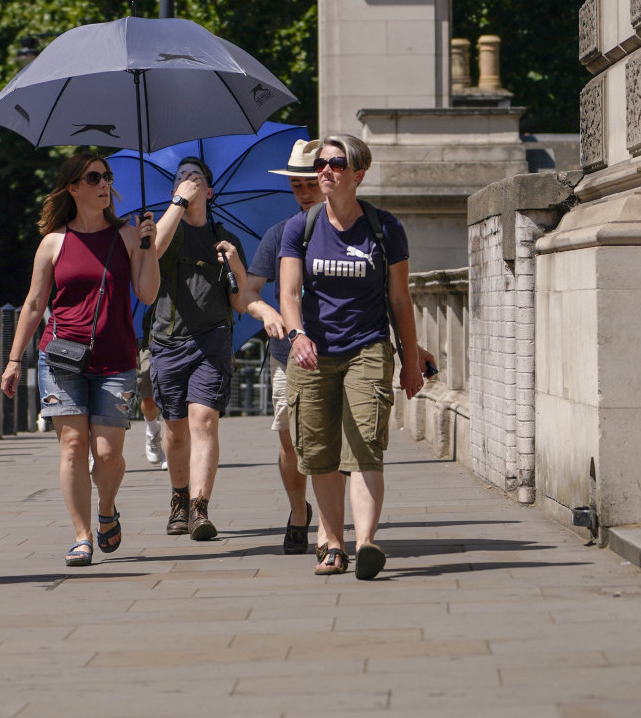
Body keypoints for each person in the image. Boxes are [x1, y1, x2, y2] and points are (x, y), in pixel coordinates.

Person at [279, 134, 436, 580]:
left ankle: (366, 542)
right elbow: (289, 293)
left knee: (364, 443)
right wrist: (297, 335)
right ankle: (333, 544)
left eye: (336, 164)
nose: (324, 171)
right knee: (320, 452)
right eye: (321, 164)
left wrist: (409, 359)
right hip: (313, 353)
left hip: (367, 347)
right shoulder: (302, 227)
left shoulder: (385, 228)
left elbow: (400, 301)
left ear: (358, 174)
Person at [1, 152, 159, 567]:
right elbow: (35, 304)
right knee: (72, 445)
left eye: (107, 176)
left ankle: (107, 508)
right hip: (62, 357)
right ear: (73, 187)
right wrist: (15, 359)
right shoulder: (54, 242)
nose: (104, 183)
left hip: (117, 359)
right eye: (93, 177)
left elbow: (147, 294)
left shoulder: (127, 236)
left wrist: (150, 246)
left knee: (107, 454)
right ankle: (82, 535)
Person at [148, 156, 248, 541]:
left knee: (204, 421)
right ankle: (178, 499)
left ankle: (199, 507)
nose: (189, 181)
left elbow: (239, 303)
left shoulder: (225, 239)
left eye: (196, 178)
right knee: (175, 428)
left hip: (212, 339)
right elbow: (152, 251)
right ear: (175, 190)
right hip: (167, 340)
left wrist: (235, 265)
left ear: (209, 190)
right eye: (181, 178)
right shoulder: (165, 228)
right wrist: (177, 204)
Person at [242, 138, 333, 556]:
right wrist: (265, 312)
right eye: (295, 184)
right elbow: (247, 292)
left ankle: (331, 527)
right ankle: (299, 510)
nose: (302, 191)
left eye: (308, 182)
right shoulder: (279, 233)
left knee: (330, 442)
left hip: (339, 350)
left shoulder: (352, 230)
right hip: (288, 356)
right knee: (291, 441)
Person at [136, 347, 166, 468]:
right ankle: (153, 429)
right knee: (148, 398)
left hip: (173, 337)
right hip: (143, 337)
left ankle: (173, 448)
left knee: (173, 395)